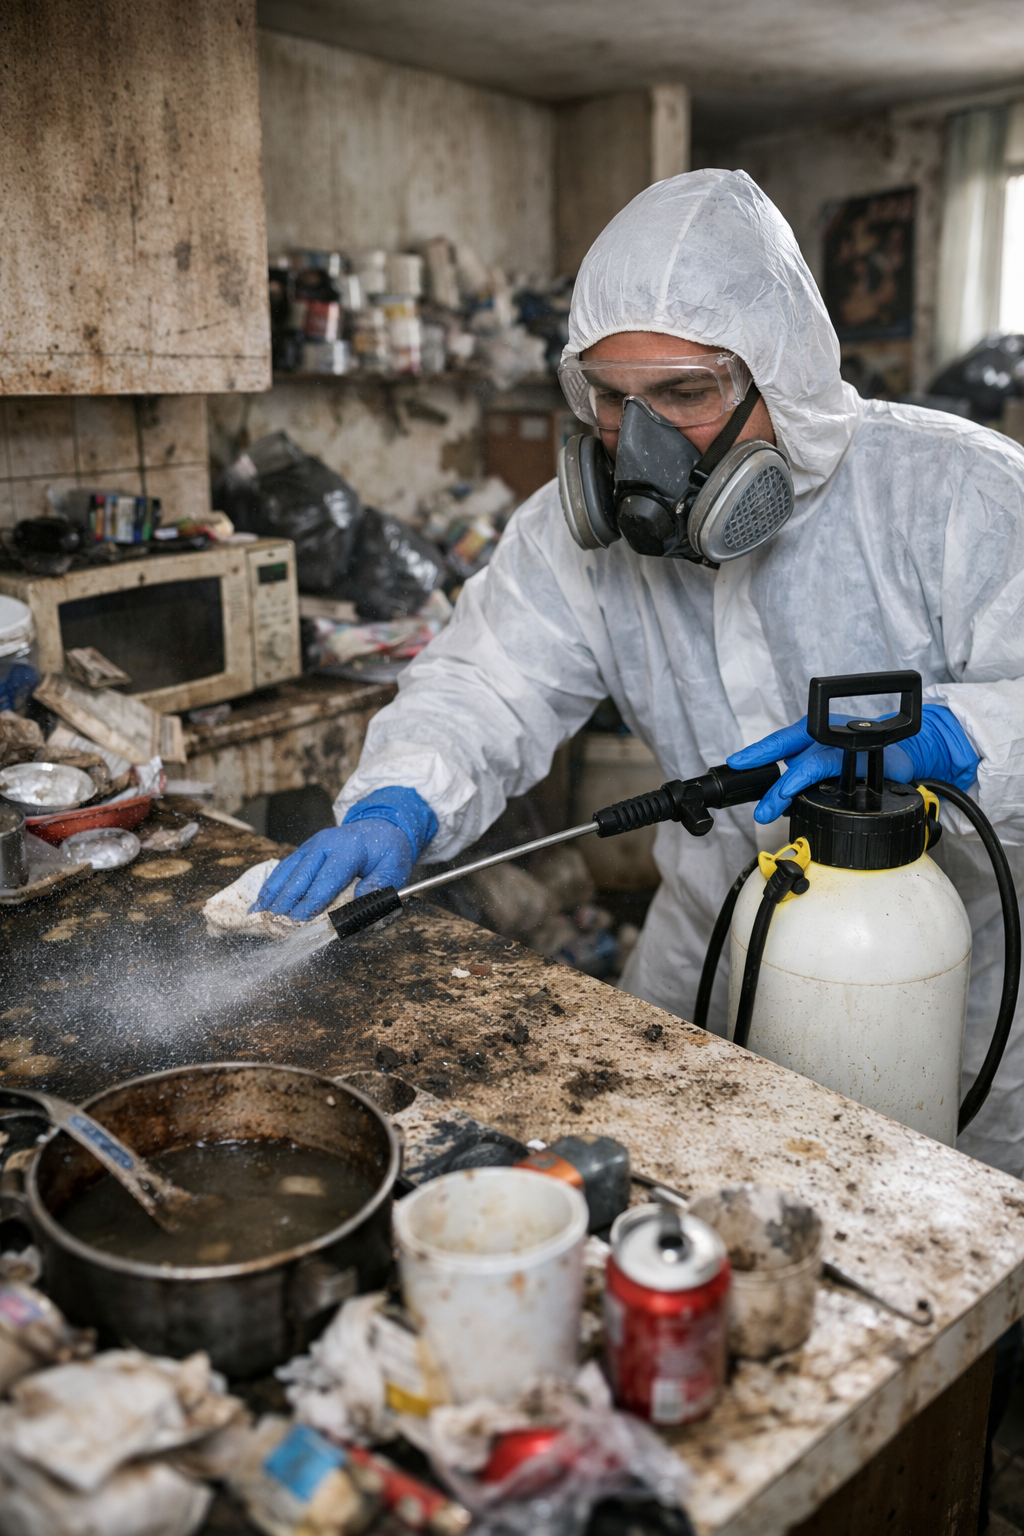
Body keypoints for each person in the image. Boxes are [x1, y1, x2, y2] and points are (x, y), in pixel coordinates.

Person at [254, 168, 1024, 1184]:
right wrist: (401, 799)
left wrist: (960, 739)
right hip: (707, 936)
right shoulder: (573, 543)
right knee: (676, 1202)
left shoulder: (958, 492)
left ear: (779, 380)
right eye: (614, 401)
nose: (641, 444)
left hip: (946, 974)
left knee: (929, 1232)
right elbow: (488, 681)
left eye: (683, 394)